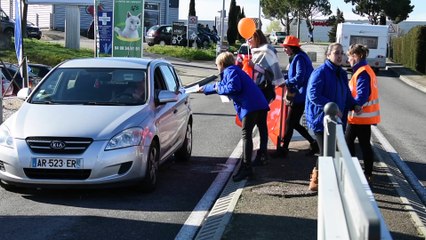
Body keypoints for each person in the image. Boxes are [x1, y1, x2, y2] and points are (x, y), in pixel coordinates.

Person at [199, 52, 270, 182]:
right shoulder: (236, 70)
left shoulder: (230, 71)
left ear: (221, 64)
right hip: (260, 103)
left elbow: (232, 87)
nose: (217, 67)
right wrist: (208, 89)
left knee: (246, 135)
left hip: (251, 106)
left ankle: (247, 167)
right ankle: (259, 158)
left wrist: (213, 88)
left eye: (216, 64)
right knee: (261, 129)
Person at [305, 42, 359, 191]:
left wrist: (354, 104)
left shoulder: (341, 73)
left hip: (336, 121)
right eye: (336, 53)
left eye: (341, 53)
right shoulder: (320, 72)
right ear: (328, 55)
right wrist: (332, 107)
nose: (340, 56)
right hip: (320, 119)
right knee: (325, 152)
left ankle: (329, 179)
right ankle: (316, 179)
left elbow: (346, 94)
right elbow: (313, 95)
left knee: (334, 151)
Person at [245, 29, 285, 166]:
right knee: (260, 123)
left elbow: (270, 73)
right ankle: (262, 154)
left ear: (256, 38)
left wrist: (254, 66)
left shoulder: (267, 50)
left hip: (263, 92)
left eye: (250, 38)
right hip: (256, 92)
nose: (248, 41)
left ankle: (259, 155)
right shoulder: (255, 52)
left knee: (258, 123)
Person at [345, 44, 380, 183]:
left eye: (349, 56)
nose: (348, 60)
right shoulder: (366, 70)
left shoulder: (362, 72)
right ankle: (367, 173)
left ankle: (357, 172)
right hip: (363, 116)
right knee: (364, 144)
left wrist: (352, 106)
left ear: (356, 56)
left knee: (349, 143)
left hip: (359, 116)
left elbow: (362, 95)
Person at [279, 35, 318, 157]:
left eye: (285, 47)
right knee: (293, 123)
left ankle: (284, 150)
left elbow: (300, 77)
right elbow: (297, 76)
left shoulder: (299, 58)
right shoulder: (299, 57)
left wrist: (286, 82)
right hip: (302, 94)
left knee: (290, 122)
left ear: (291, 48)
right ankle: (313, 143)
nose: (284, 49)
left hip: (301, 95)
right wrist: (284, 78)